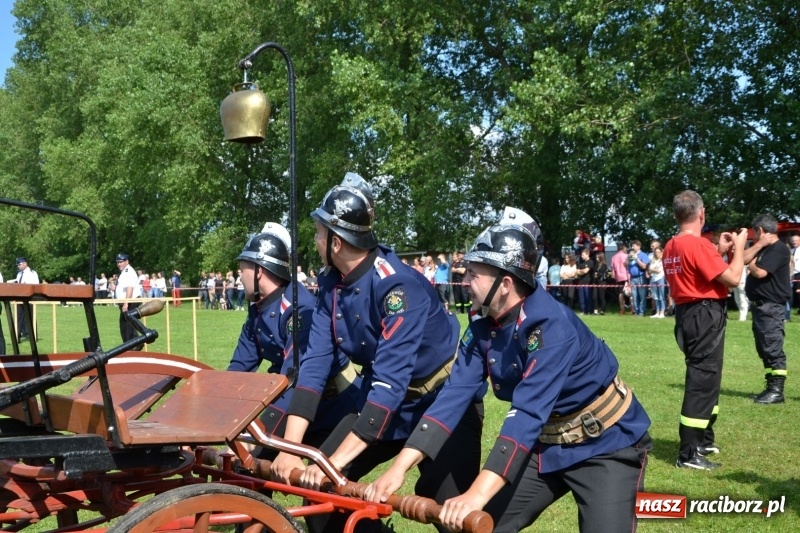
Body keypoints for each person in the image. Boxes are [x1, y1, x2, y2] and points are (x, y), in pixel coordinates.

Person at [365, 207, 651, 533]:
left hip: (606, 445)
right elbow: (451, 398)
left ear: (505, 284)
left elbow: (526, 415)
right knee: (484, 526)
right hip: (545, 443)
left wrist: (475, 495)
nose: (464, 281)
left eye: (474, 274)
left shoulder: (551, 326)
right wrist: (398, 469)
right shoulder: (482, 325)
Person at [270, 174, 483, 533]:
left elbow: (390, 386)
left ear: (336, 242)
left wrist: (329, 462)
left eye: (319, 232)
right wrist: (291, 447)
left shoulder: (396, 286)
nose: (315, 240)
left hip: (442, 402)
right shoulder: (330, 284)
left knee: (451, 515)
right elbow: (314, 364)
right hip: (381, 400)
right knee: (322, 500)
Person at [227, 223, 361, 458]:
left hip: (337, 408)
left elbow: (293, 379)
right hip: (294, 402)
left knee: (318, 478)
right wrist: (214, 422)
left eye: (242, 269)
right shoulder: (257, 311)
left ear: (259, 271)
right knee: (248, 465)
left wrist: (256, 437)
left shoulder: (299, 310)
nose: (239, 276)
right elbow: (238, 371)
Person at [663, 190, 747, 470]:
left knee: (708, 377)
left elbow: (698, 272)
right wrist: (739, 247)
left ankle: (702, 440)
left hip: (688, 314)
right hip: (703, 314)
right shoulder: (698, 245)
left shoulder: (672, 245)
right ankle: (688, 453)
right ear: (701, 213)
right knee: (702, 379)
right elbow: (733, 278)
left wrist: (719, 251)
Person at [743, 214, 791, 404]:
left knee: (772, 347)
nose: (754, 236)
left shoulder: (778, 249)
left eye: (755, 233)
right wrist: (758, 246)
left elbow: (760, 272)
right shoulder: (764, 247)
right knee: (764, 348)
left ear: (760, 230)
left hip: (771, 306)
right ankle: (770, 387)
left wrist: (752, 265)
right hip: (761, 307)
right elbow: (743, 258)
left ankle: (777, 391)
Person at [114, 253, 143, 349]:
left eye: (121, 262)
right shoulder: (125, 272)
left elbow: (130, 288)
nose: (119, 264)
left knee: (126, 324)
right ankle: (134, 343)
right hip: (128, 301)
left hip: (130, 301)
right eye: (118, 262)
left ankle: (133, 344)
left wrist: (126, 302)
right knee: (126, 323)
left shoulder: (128, 271)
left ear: (127, 261)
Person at [14, 257, 40, 342]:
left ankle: (33, 335)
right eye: (18, 265)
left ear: (25, 263)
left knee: (30, 317)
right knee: (18, 317)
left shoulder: (32, 273)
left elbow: (36, 285)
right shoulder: (19, 274)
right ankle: (17, 336)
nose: (18, 266)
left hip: (29, 298)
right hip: (19, 297)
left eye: (19, 264)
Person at [628, 241, 650, 316]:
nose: (632, 248)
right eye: (632, 246)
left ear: (639, 246)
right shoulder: (631, 255)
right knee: (634, 296)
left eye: (633, 246)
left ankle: (641, 312)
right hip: (632, 278)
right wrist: (628, 257)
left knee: (642, 295)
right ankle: (636, 311)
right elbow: (625, 265)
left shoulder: (643, 255)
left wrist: (637, 258)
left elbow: (644, 266)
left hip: (641, 277)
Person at [611, 243, 630, 314]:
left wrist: (614, 276)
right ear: (623, 248)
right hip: (627, 276)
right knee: (630, 293)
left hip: (618, 277)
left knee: (621, 293)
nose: (626, 249)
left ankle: (622, 309)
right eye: (626, 248)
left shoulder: (614, 257)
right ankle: (633, 309)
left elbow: (612, 269)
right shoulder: (626, 256)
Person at [576, 248, 594, 315]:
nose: (582, 256)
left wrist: (581, 271)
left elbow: (586, 271)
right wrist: (582, 271)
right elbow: (577, 272)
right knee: (582, 298)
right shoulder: (581, 263)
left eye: (583, 255)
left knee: (588, 297)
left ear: (587, 254)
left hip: (588, 282)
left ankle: (590, 311)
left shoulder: (590, 262)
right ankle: (583, 311)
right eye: (581, 255)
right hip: (581, 282)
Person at [649, 247, 666, 318]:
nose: (657, 253)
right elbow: (650, 269)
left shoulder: (663, 260)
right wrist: (654, 270)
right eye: (655, 252)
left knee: (661, 296)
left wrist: (653, 270)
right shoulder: (653, 260)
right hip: (653, 279)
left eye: (658, 252)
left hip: (661, 278)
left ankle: (662, 312)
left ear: (661, 252)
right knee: (656, 297)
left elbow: (659, 270)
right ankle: (657, 312)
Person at [791, 234, 800, 313]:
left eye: (796, 240)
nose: (794, 242)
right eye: (793, 241)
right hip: (792, 273)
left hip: (799, 273)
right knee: (793, 290)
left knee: (798, 290)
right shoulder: (791, 251)